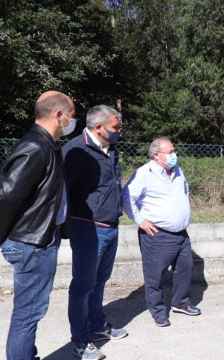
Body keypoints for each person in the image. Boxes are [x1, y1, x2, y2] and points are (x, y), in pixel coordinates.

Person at [0, 91, 75, 360]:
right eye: (71, 116)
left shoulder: (48, 145)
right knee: (28, 314)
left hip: (39, 238)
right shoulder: (35, 147)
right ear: (58, 115)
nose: (71, 121)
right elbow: (6, 196)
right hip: (31, 242)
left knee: (31, 311)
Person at [63, 105, 127, 359]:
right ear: (98, 127)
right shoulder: (76, 150)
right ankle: (80, 340)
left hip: (111, 226)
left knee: (99, 281)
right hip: (88, 228)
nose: (119, 131)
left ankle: (97, 325)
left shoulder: (111, 150)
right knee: (82, 285)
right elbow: (63, 192)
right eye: (116, 127)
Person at [122, 137, 201, 328]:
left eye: (174, 151)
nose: (175, 155)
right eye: (170, 152)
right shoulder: (144, 173)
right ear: (157, 155)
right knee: (155, 276)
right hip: (157, 235)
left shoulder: (178, 170)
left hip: (181, 234)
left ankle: (180, 302)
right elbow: (127, 197)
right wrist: (140, 220)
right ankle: (158, 311)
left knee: (185, 268)